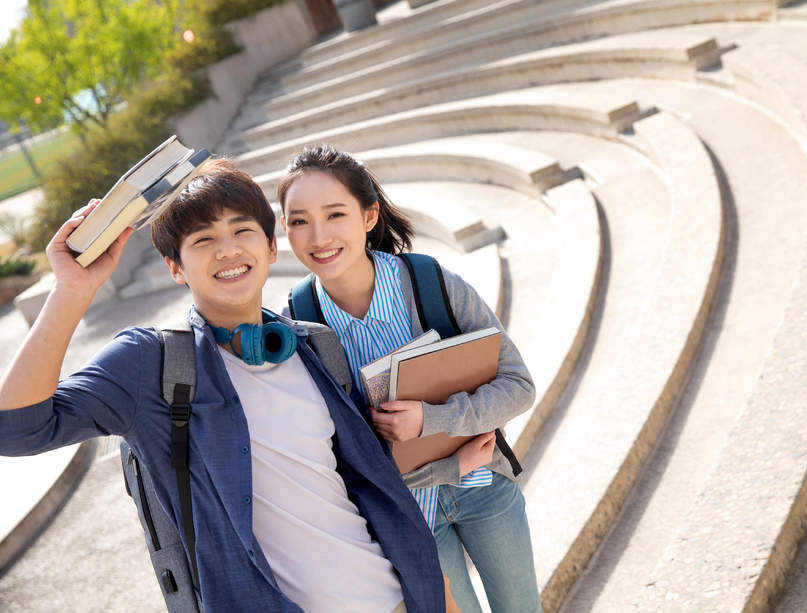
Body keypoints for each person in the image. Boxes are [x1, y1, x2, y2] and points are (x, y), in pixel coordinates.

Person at [0, 158, 452, 613]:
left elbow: (371, 485)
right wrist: (71, 290)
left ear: (271, 248)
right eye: (203, 239)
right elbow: (15, 428)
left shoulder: (314, 346)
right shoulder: (148, 363)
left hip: (395, 596)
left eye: (242, 231)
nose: (228, 250)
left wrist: (439, 590)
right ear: (175, 267)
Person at [277, 144, 542, 613]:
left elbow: (518, 386)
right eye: (299, 220)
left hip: (485, 490)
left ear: (369, 215)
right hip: (407, 523)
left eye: (335, 214)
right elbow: (335, 459)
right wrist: (447, 465)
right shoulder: (297, 327)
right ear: (285, 228)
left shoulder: (431, 284)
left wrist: (433, 418)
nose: (318, 236)